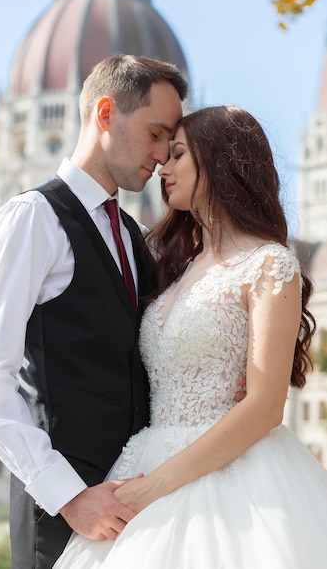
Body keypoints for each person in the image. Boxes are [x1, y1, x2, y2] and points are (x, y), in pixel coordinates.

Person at [53, 105, 327, 569]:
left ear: (220, 161)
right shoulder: (171, 265)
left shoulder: (269, 264)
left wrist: (153, 487)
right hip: (143, 461)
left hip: (234, 479)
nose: (163, 164)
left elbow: (264, 406)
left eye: (178, 153)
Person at [0, 54, 188, 568]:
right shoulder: (31, 219)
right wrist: (68, 497)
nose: (161, 156)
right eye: (155, 134)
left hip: (142, 514)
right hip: (63, 517)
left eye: (170, 143)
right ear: (105, 114)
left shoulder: (132, 237)